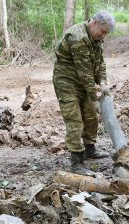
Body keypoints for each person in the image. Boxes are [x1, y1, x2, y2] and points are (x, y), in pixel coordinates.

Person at [52, 11, 115, 176]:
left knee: (91, 117)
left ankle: (89, 149)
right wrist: (94, 98)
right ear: (94, 23)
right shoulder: (78, 37)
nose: (103, 37)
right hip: (66, 81)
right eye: (102, 32)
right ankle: (77, 162)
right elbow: (85, 72)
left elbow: (99, 62)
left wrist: (102, 82)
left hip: (82, 82)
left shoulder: (96, 38)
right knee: (75, 121)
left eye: (106, 34)